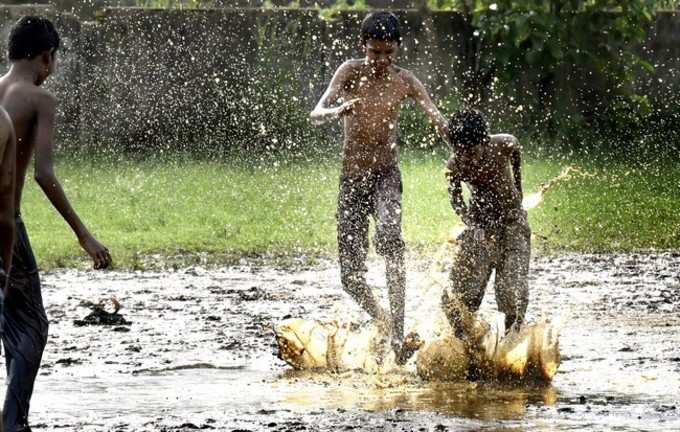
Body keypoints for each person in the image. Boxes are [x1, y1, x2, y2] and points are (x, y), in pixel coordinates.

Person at [310, 11, 448, 358]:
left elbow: (436, 116)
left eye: (389, 53)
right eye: (375, 53)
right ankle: (383, 319)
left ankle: (399, 334)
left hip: (386, 176)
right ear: (363, 47)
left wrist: (465, 140)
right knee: (351, 279)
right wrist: (337, 111)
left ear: (398, 48)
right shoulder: (349, 72)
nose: (382, 60)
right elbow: (317, 112)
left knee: (390, 239)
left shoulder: (405, 80)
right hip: (352, 180)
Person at [0, 16, 112, 431]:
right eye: (53, 61)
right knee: (34, 325)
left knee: (13, 319)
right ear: (46, 57)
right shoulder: (39, 100)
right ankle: (13, 423)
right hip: (5, 221)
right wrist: (84, 235)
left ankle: (13, 417)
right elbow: (43, 173)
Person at [442, 109, 530, 338]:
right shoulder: (454, 166)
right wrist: (471, 225)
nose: (466, 157)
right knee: (464, 295)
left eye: (470, 151)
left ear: (483, 141)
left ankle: (513, 341)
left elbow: (517, 154)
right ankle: (466, 345)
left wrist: (518, 189)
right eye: (459, 151)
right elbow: (457, 200)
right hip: (480, 225)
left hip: (513, 222)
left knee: (511, 292)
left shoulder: (504, 145)